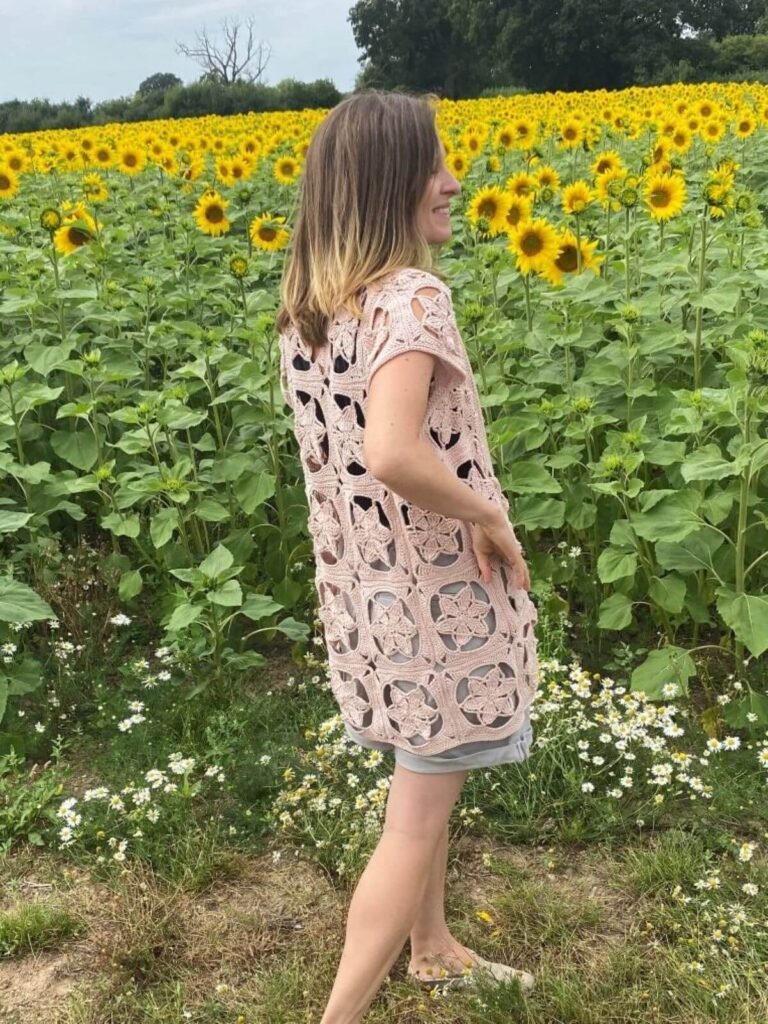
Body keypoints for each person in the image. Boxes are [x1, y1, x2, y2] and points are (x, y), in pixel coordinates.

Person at [276, 89, 540, 1024]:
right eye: (434, 165)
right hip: (440, 608)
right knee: (414, 818)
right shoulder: (412, 297)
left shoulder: (314, 312)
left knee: (425, 775)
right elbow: (392, 450)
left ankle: (431, 950)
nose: (454, 181)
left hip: (372, 603)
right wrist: (487, 515)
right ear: (388, 183)